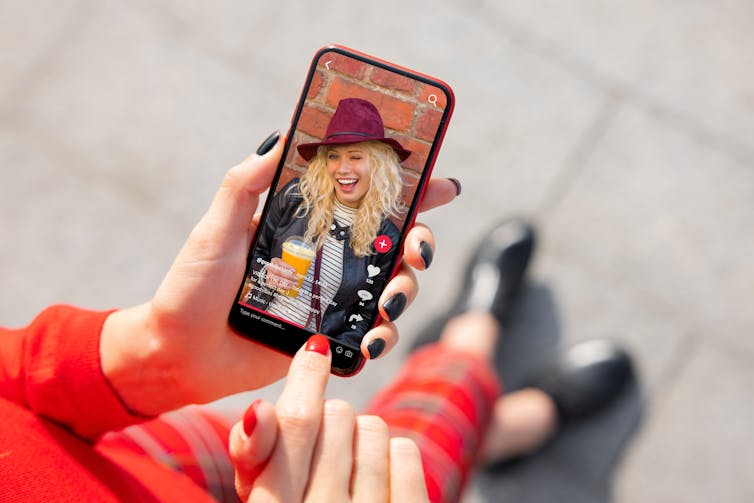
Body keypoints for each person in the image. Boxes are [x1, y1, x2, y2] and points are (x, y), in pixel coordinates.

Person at [244, 98, 415, 348]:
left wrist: (333, 352)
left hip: (313, 351)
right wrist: (266, 272)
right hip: (259, 326)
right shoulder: (296, 198)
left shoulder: (385, 237)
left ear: (378, 165)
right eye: (334, 156)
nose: (342, 169)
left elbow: (364, 314)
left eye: (355, 157)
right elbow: (253, 254)